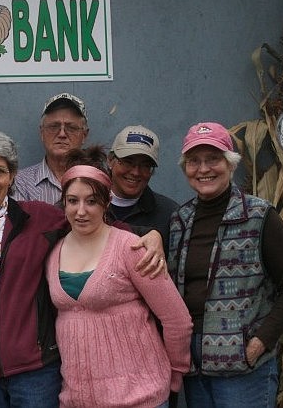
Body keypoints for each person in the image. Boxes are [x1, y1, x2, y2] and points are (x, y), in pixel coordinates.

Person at [0, 129, 167, 408]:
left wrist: (149, 234)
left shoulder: (39, 218)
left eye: (0, 171)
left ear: (11, 177)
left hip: (36, 373)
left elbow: (96, 227)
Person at [168, 122, 283, 408]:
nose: (203, 169)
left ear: (230, 164)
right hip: (195, 364)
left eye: (213, 159)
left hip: (243, 365)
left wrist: (258, 344)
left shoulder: (259, 216)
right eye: (194, 161)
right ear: (185, 169)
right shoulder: (180, 221)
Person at [45, 146, 192, 407]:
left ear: (106, 203)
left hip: (139, 397)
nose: (81, 211)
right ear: (63, 202)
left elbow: (177, 319)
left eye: (91, 201)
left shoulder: (130, 248)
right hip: (79, 399)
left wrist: (176, 371)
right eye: (72, 201)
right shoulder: (54, 251)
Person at [107, 125, 179, 245]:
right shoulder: (86, 205)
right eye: (128, 162)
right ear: (110, 160)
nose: (136, 172)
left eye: (145, 166)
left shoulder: (170, 214)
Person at [14, 92, 89, 203]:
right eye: (54, 127)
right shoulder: (21, 182)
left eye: (71, 128)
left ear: (84, 135)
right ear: (42, 133)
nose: (62, 134)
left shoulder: (97, 179)